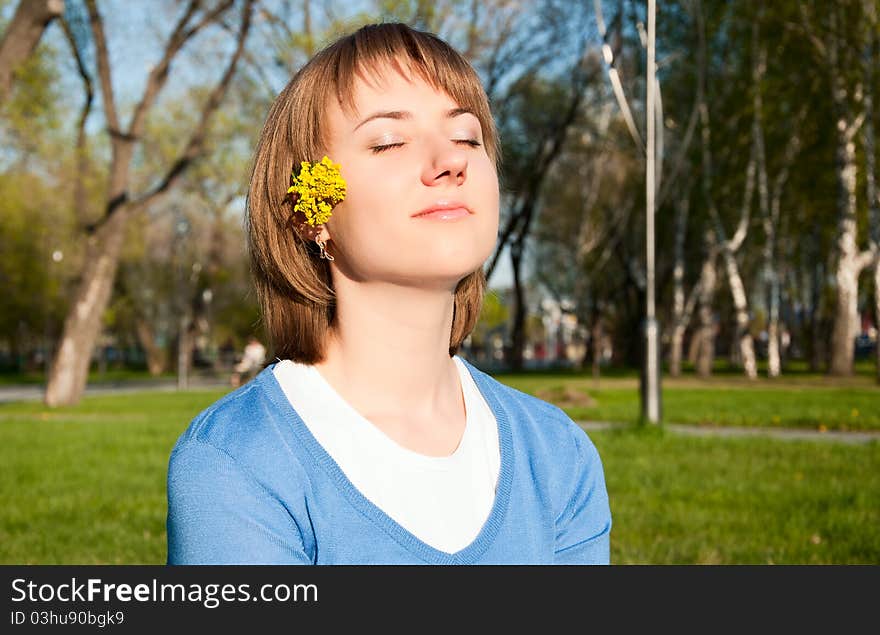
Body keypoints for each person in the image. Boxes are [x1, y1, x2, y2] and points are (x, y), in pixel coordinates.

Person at [166, 22, 611, 564]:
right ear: (312, 215)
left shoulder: (559, 456)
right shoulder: (237, 464)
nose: (452, 161)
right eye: (388, 141)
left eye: (468, 136)